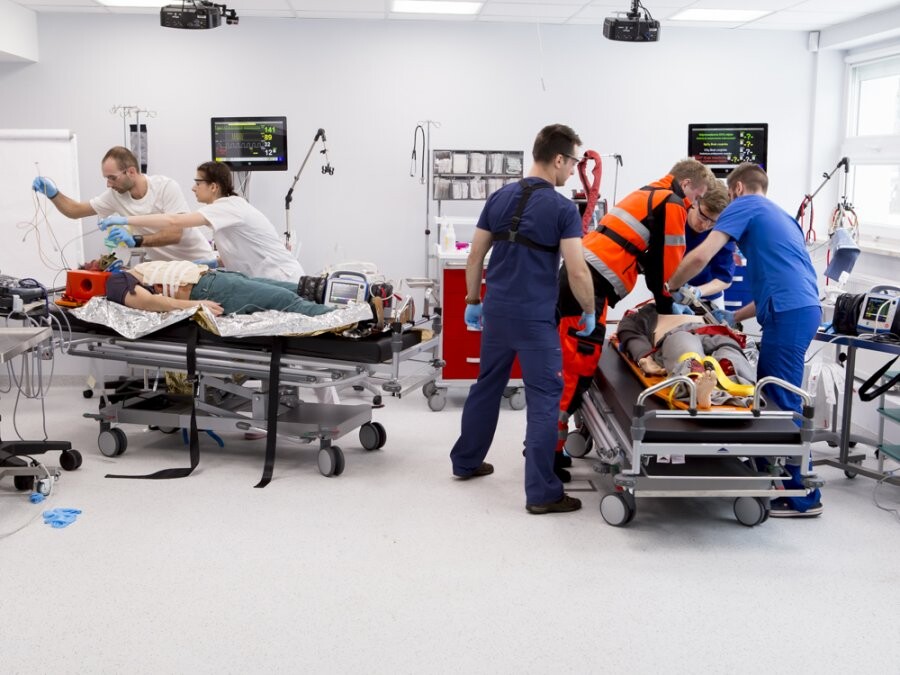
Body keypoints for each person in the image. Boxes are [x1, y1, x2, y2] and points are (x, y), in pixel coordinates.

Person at [449, 124, 595, 515]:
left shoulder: (499, 198)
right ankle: (542, 493)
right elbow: (577, 270)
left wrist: (473, 300)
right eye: (573, 163)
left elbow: (475, 256)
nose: (573, 171)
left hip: (496, 312)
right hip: (534, 319)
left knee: (487, 386)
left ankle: (465, 461)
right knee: (545, 397)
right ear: (558, 159)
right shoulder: (563, 209)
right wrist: (589, 310)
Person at [667, 162, 823, 517]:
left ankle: (802, 495)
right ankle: (774, 473)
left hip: (789, 313)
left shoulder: (745, 205)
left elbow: (702, 255)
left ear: (736, 189)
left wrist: (672, 284)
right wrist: (733, 317)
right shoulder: (782, 217)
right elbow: (777, 283)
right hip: (799, 308)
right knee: (772, 392)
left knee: (780, 398)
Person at [554, 159, 715, 476]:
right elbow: (666, 266)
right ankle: (548, 454)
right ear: (686, 185)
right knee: (576, 369)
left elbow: (650, 260)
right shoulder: (672, 202)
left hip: (583, 280)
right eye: (698, 197)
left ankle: (549, 447)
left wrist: (667, 296)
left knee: (574, 367)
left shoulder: (650, 193)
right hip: (586, 286)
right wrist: (668, 306)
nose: (696, 204)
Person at [98, 161, 303, 282]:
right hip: (267, 278)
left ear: (213, 187)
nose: (193, 188)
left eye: (198, 183)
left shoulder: (228, 206)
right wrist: (212, 262)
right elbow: (242, 252)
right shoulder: (225, 210)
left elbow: (174, 220)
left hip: (282, 277)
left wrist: (125, 219)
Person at [31, 146, 214, 263]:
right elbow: (75, 211)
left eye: (112, 178)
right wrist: (53, 193)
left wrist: (136, 240)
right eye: (106, 178)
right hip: (168, 269)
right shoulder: (115, 195)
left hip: (200, 262)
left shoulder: (165, 187)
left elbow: (175, 234)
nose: (108, 184)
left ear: (131, 172)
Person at [615, 303, 755, 408]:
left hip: (716, 333)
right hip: (678, 333)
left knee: (731, 353)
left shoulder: (704, 305)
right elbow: (629, 332)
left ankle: (738, 384)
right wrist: (644, 357)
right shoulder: (643, 312)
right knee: (688, 354)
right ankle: (696, 385)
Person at [105, 260, 333, 317]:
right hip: (208, 290)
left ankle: (350, 299)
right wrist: (196, 305)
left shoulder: (135, 269)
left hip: (217, 278)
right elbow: (148, 301)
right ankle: (346, 320)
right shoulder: (115, 281)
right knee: (285, 299)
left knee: (301, 289)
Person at [670, 181, 735, 312]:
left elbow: (724, 279)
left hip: (707, 296)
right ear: (695, 202)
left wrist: (697, 292)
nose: (705, 226)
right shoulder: (674, 216)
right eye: (703, 217)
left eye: (713, 222)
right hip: (669, 291)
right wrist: (670, 290)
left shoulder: (722, 231)